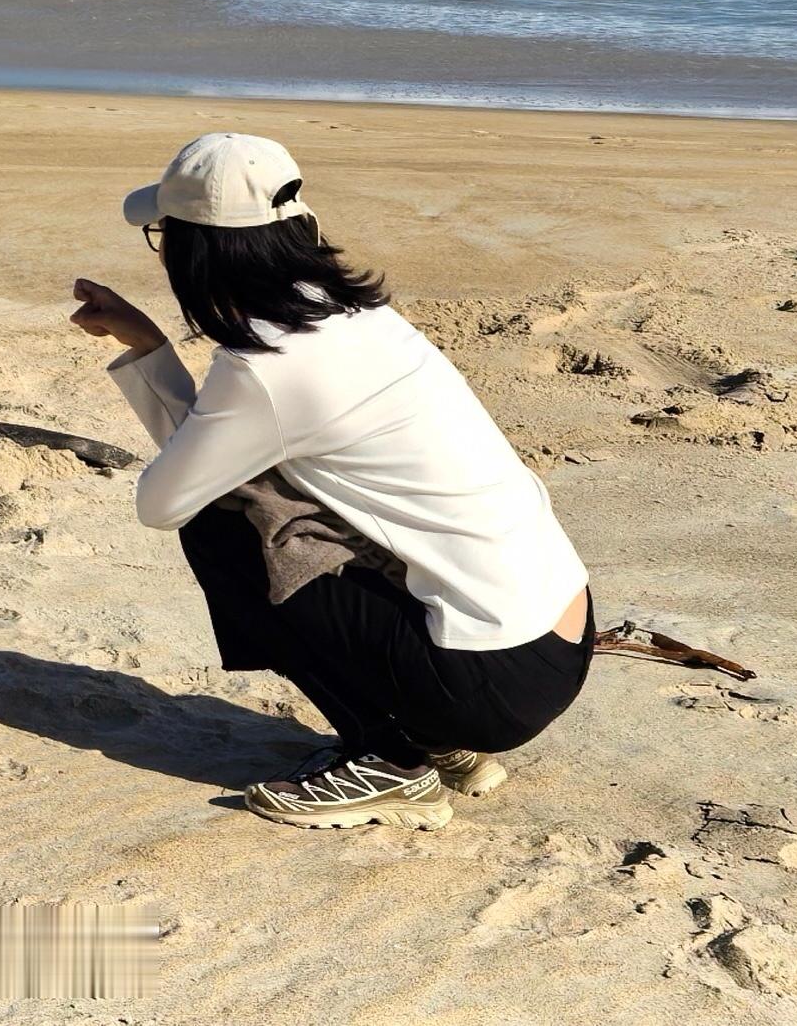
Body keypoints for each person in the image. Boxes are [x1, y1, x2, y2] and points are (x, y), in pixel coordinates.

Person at [70, 132, 593, 829]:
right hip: (555, 632)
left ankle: (393, 764)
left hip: (491, 681)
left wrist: (153, 354)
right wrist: (148, 346)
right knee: (262, 500)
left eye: (164, 233)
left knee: (222, 525)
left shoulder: (268, 363)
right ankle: (434, 740)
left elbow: (166, 500)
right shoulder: (352, 314)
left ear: (193, 249)